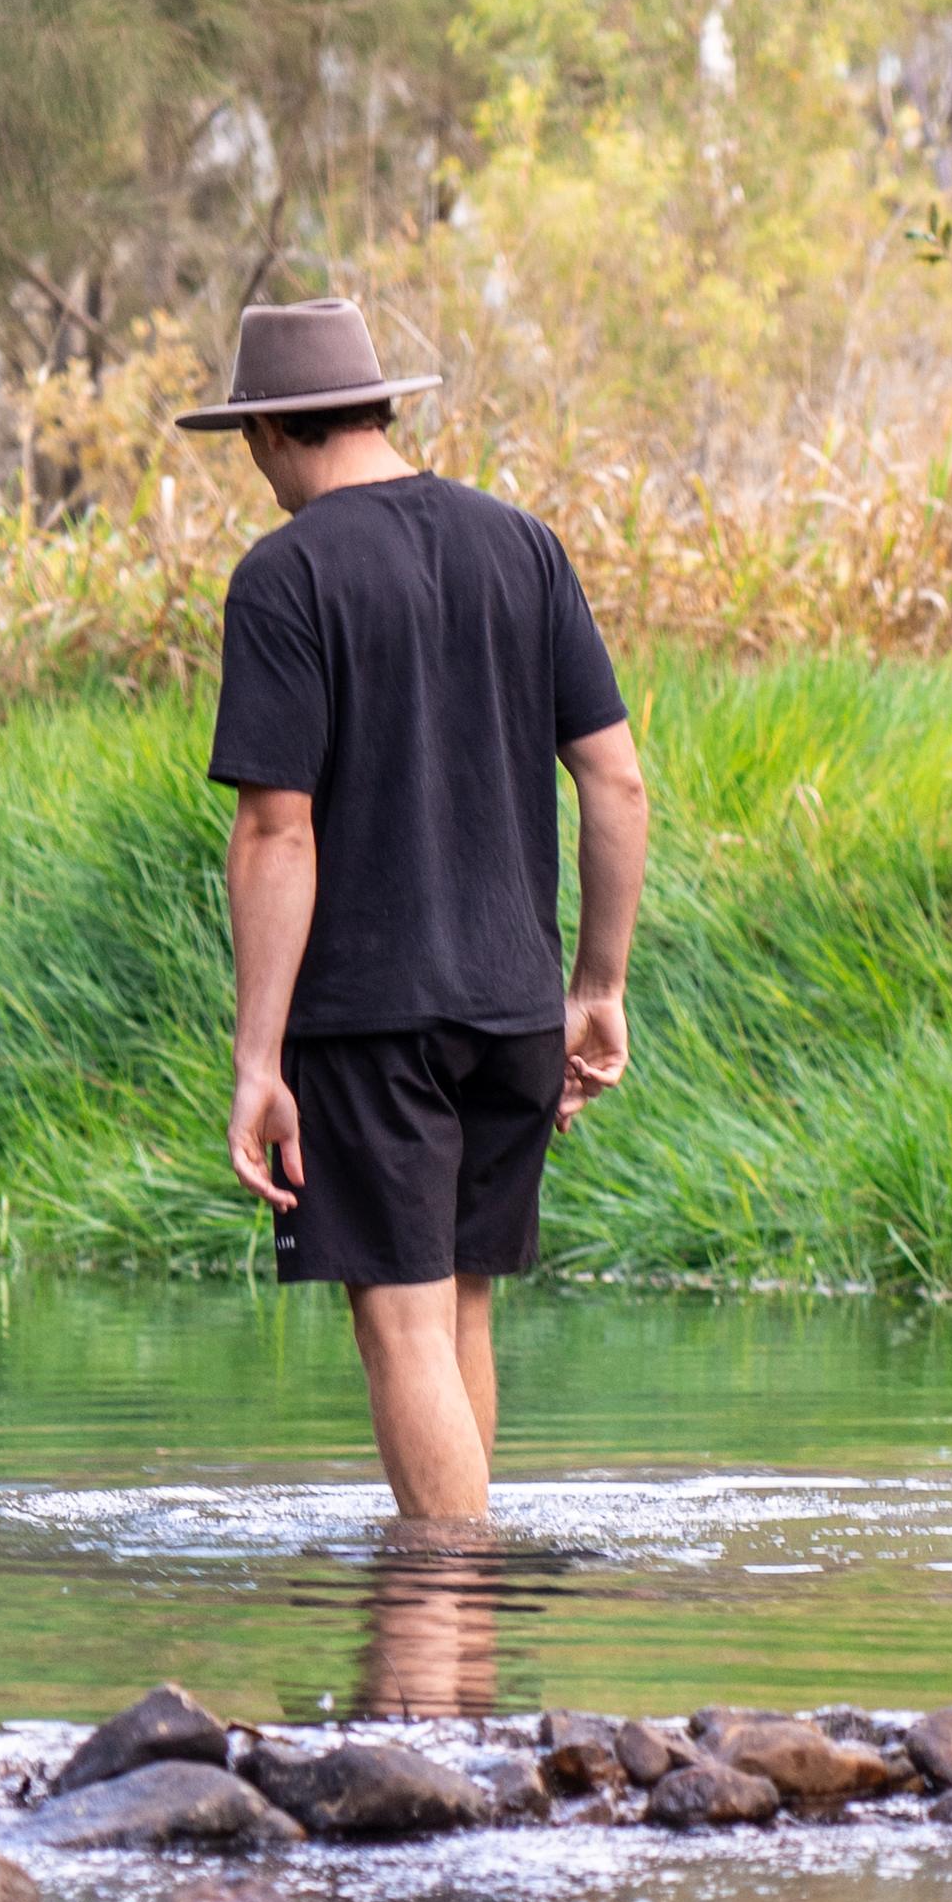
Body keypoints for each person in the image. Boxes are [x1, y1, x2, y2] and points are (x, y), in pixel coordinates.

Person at [186, 296, 646, 1565]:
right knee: (461, 1320)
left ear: (271, 430)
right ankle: (470, 1698)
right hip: (512, 1007)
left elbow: (278, 833)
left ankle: (448, 1637)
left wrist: (258, 1061)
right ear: (380, 406)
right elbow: (616, 781)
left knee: (398, 1329)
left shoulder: (286, 577)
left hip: (370, 1017)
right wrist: (595, 987)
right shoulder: (526, 547)